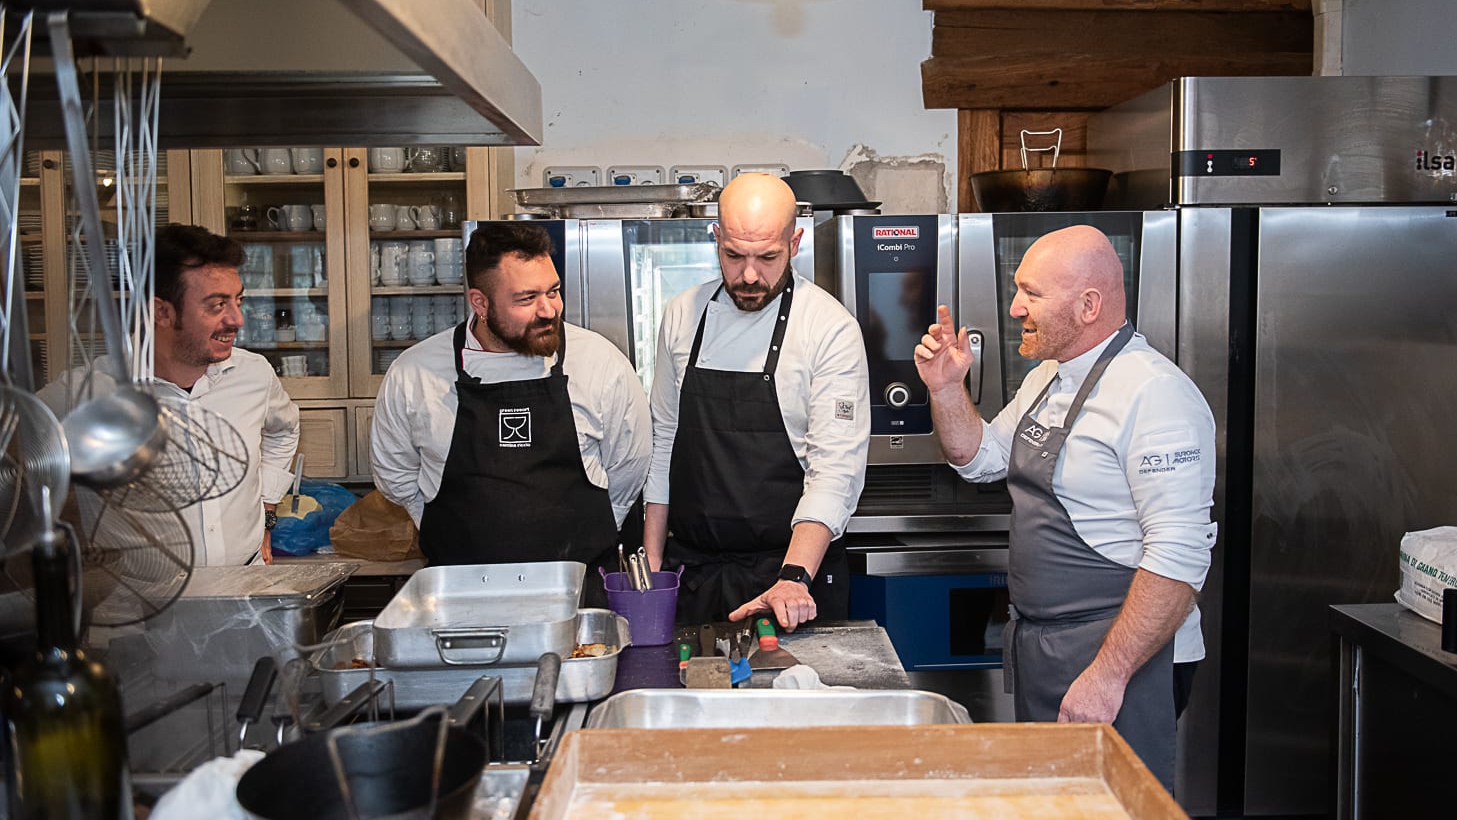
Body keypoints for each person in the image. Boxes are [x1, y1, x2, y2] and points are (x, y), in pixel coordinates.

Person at [913, 224, 1215, 790]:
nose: (1013, 307)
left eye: (1031, 293)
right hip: (1046, 648)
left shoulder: (1156, 395)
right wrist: (947, 390)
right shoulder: (1048, 379)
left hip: (1122, 659)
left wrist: (1106, 675)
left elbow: (1178, 559)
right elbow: (976, 459)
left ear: (1088, 305)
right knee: (1060, 816)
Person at [370, 221, 650, 609]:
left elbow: (629, 468)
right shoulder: (414, 374)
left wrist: (589, 536)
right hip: (459, 598)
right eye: (526, 298)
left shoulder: (601, 364)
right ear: (480, 303)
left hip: (578, 598)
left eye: (553, 291)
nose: (548, 309)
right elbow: (395, 475)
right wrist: (450, 533)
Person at [643, 173, 869, 630]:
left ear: (795, 242)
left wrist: (793, 577)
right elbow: (664, 439)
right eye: (733, 255)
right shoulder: (684, 314)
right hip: (694, 575)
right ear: (716, 239)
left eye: (767, 257)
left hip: (789, 579)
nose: (749, 275)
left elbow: (835, 471)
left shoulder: (828, 329)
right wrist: (651, 568)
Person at [39, 224, 301, 566]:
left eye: (238, 300)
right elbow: (16, 453)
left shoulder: (254, 374)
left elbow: (285, 429)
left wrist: (268, 507)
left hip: (245, 592)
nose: (237, 320)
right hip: (142, 609)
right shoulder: (86, 392)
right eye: (217, 305)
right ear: (162, 312)